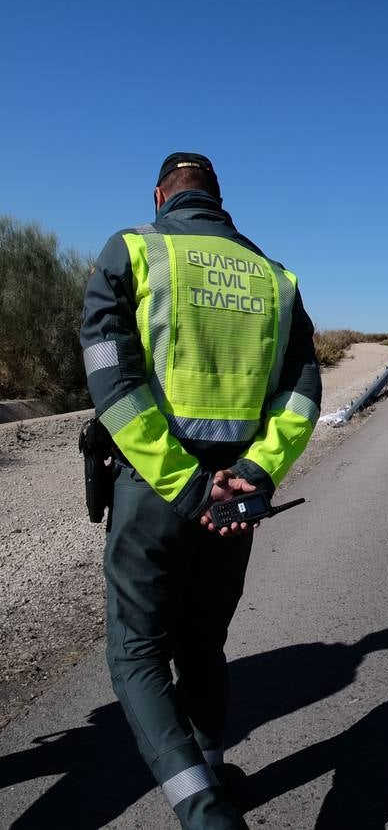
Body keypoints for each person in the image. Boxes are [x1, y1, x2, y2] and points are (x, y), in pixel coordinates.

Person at [80, 153, 321, 829]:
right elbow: (303, 393)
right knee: (203, 640)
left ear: (161, 196)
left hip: (157, 490)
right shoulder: (276, 278)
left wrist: (187, 485)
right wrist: (253, 475)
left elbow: (112, 381)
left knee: (136, 651)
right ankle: (213, 766)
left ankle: (206, 813)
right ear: (219, 201)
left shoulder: (132, 250)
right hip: (235, 499)